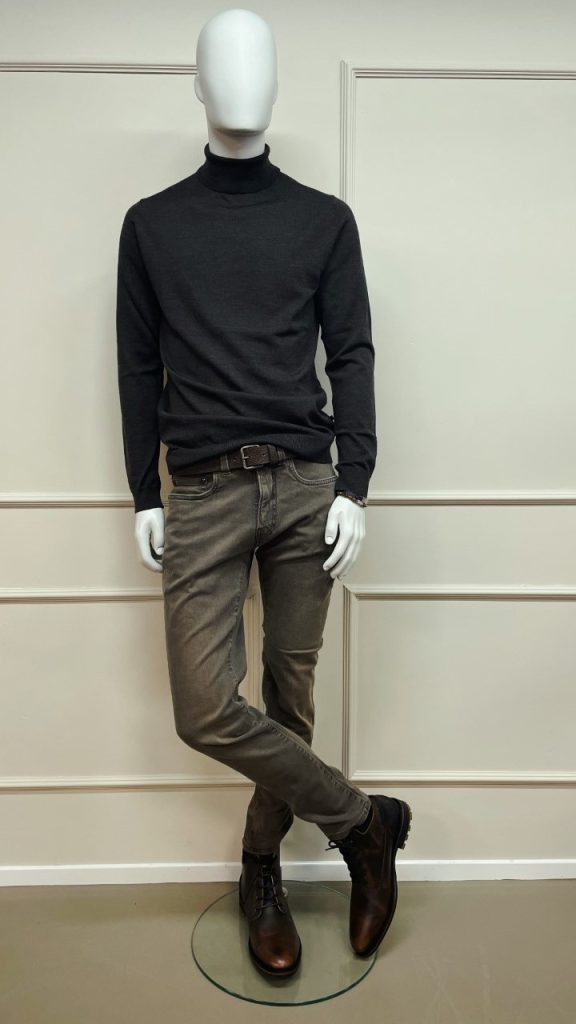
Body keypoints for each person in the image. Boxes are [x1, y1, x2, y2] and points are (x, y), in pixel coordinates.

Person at [116, 7, 411, 978]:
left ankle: (260, 869)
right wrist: (143, 493)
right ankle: (364, 823)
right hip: (202, 488)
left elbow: (352, 352)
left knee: (291, 691)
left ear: (278, 83)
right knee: (205, 706)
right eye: (223, 63)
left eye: (259, 64)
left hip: (305, 485)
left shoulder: (324, 221)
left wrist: (355, 481)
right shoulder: (151, 225)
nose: (242, 80)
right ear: (198, 84)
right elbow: (138, 365)